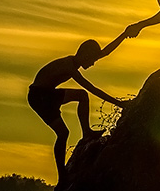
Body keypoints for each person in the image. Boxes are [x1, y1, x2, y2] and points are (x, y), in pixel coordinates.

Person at [28, 31, 129, 182]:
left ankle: (86, 132)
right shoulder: (69, 67)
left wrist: (124, 34)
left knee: (81, 96)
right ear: (85, 55)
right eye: (92, 60)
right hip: (39, 97)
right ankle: (62, 175)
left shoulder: (76, 62)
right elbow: (92, 88)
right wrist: (119, 103)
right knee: (63, 134)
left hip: (48, 93)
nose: (93, 63)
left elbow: (105, 52)